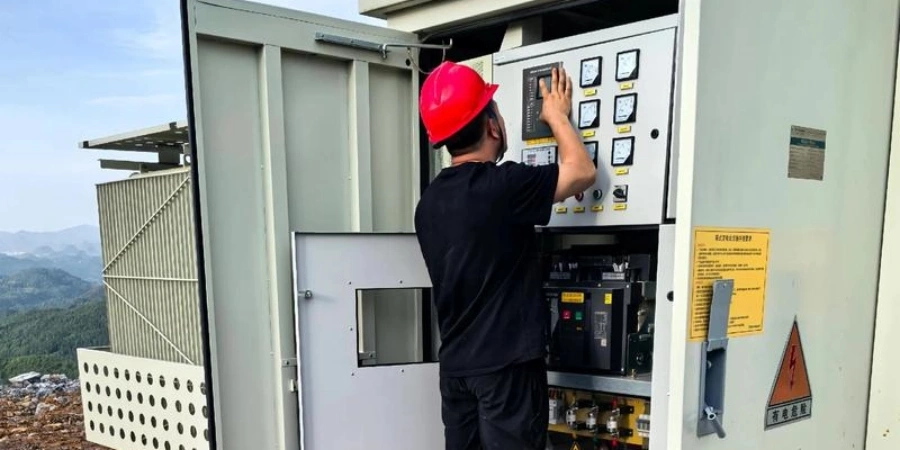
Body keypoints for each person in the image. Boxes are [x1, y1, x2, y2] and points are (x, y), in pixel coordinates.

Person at [414, 60, 597, 450]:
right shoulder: (504, 185)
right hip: (506, 371)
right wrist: (556, 116)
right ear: (492, 125)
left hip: (457, 372)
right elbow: (581, 171)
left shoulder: (428, 203)